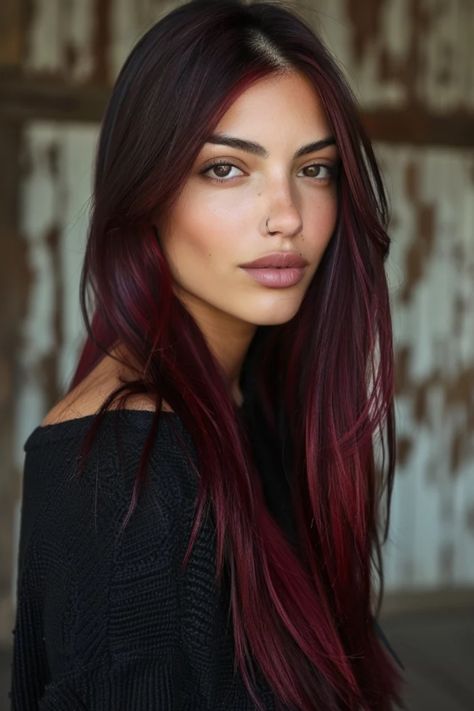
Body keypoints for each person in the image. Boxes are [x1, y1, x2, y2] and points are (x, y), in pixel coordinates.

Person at [9, 0, 406, 709]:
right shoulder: (122, 471)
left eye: (314, 169)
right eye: (226, 169)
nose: (286, 214)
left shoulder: (257, 395)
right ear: (146, 194)